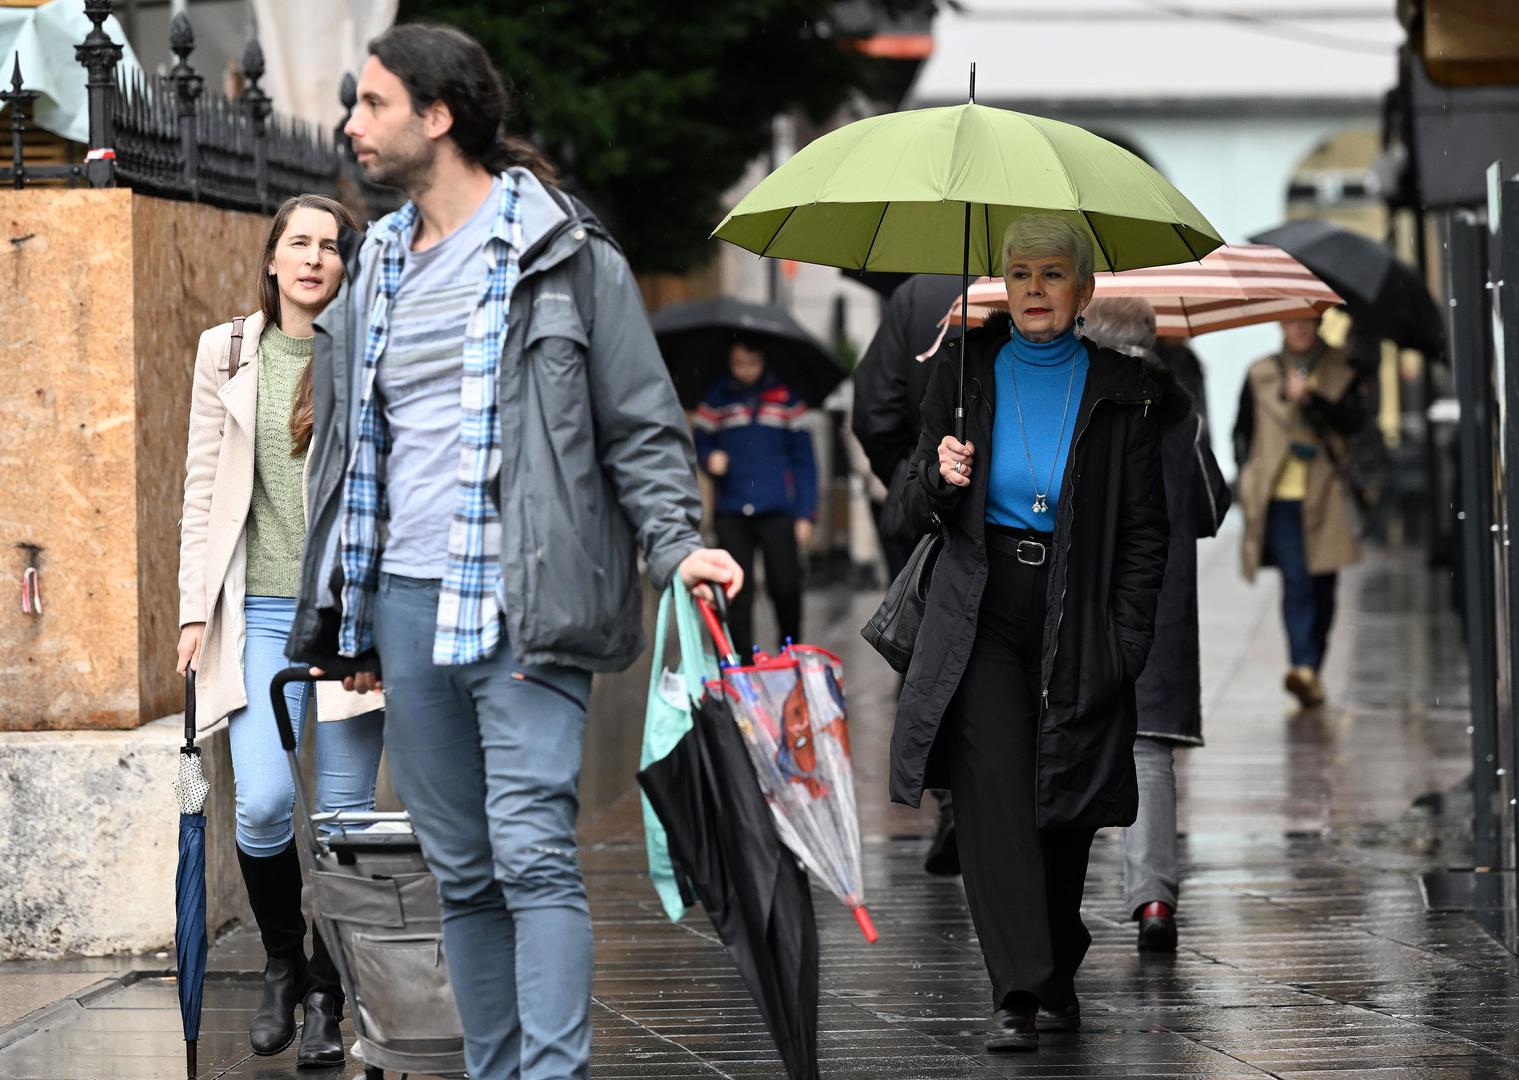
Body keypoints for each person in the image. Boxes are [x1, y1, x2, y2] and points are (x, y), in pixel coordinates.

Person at [284, 24, 743, 1080]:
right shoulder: (376, 273)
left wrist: (677, 546)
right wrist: (344, 609)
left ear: (437, 118)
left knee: (534, 853)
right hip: (405, 607)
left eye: (372, 103)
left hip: (528, 599)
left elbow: (638, 421)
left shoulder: (565, 256)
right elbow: (353, 455)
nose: (352, 124)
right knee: (461, 869)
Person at [891, 215, 1170, 1052]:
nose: (1035, 291)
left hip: (1076, 604)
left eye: (1052, 275)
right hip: (980, 602)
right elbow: (907, 503)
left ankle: (1054, 964)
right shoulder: (964, 369)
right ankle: (1015, 989)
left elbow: (1145, 532)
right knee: (993, 796)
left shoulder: (1123, 389)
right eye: (1019, 275)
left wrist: (1124, 640)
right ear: (1001, 288)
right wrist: (937, 481)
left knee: (1062, 804)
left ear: (1082, 292)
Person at [176, 194, 385, 1068]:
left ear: (346, 266)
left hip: (345, 624)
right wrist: (192, 611)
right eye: (297, 243)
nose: (312, 258)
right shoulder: (226, 352)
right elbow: (199, 487)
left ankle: (330, 998)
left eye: (330, 247)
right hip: (257, 615)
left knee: (340, 822)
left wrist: (381, 629)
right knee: (262, 804)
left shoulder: (369, 357)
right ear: (271, 259)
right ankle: (280, 963)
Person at [1082, 298, 1226, 954]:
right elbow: (1210, 507)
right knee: (1146, 752)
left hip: (1081, 607)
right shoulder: (1180, 417)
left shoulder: (1071, 408)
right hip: (1158, 611)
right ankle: (1152, 901)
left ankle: (1056, 912)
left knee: (1066, 750)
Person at [853, 273, 966, 875]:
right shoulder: (1044, 279)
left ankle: (950, 795)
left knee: (931, 649)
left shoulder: (917, 295)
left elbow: (874, 406)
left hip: (923, 506)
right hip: (1020, 513)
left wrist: (907, 473)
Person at [1233, 315, 1365, 708]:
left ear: (1320, 322)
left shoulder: (1342, 370)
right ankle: (1302, 667)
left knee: (1324, 584)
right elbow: (1242, 429)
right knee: (1298, 580)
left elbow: (1356, 422)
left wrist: (1313, 400)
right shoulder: (1261, 372)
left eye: (1308, 321)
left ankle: (1313, 669)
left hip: (1325, 494)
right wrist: (1248, 472)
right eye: (1292, 321)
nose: (1300, 329)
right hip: (1279, 496)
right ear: (1280, 324)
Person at [693, 336, 816, 660]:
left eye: (751, 363)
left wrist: (805, 513)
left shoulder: (787, 399)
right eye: (737, 363)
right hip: (731, 509)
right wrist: (709, 459)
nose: (744, 370)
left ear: (763, 360)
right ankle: (741, 663)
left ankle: (790, 652)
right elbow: (700, 441)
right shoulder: (717, 398)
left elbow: (805, 461)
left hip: (778, 508)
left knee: (786, 586)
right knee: (737, 591)